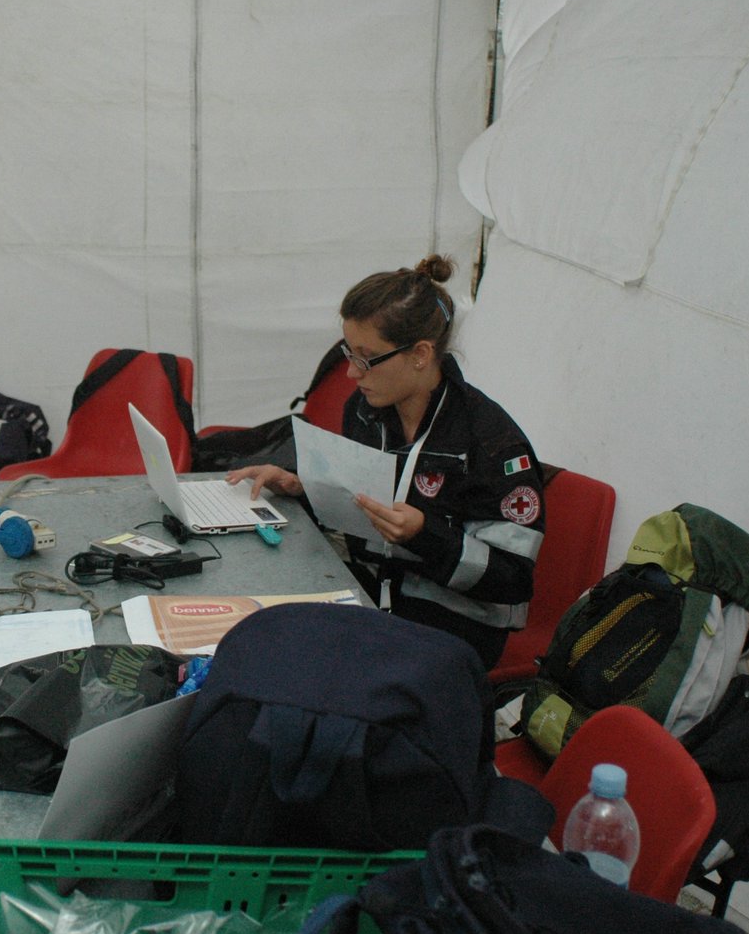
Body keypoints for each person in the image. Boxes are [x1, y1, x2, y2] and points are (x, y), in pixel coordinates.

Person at [226, 254, 544, 668]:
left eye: (366, 357)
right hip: (376, 592)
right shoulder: (365, 411)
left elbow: (513, 579)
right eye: (348, 353)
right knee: (254, 628)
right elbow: (360, 508)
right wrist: (303, 487)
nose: (351, 375)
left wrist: (423, 535)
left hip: (456, 628)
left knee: (294, 665)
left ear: (420, 354)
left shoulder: (494, 446)